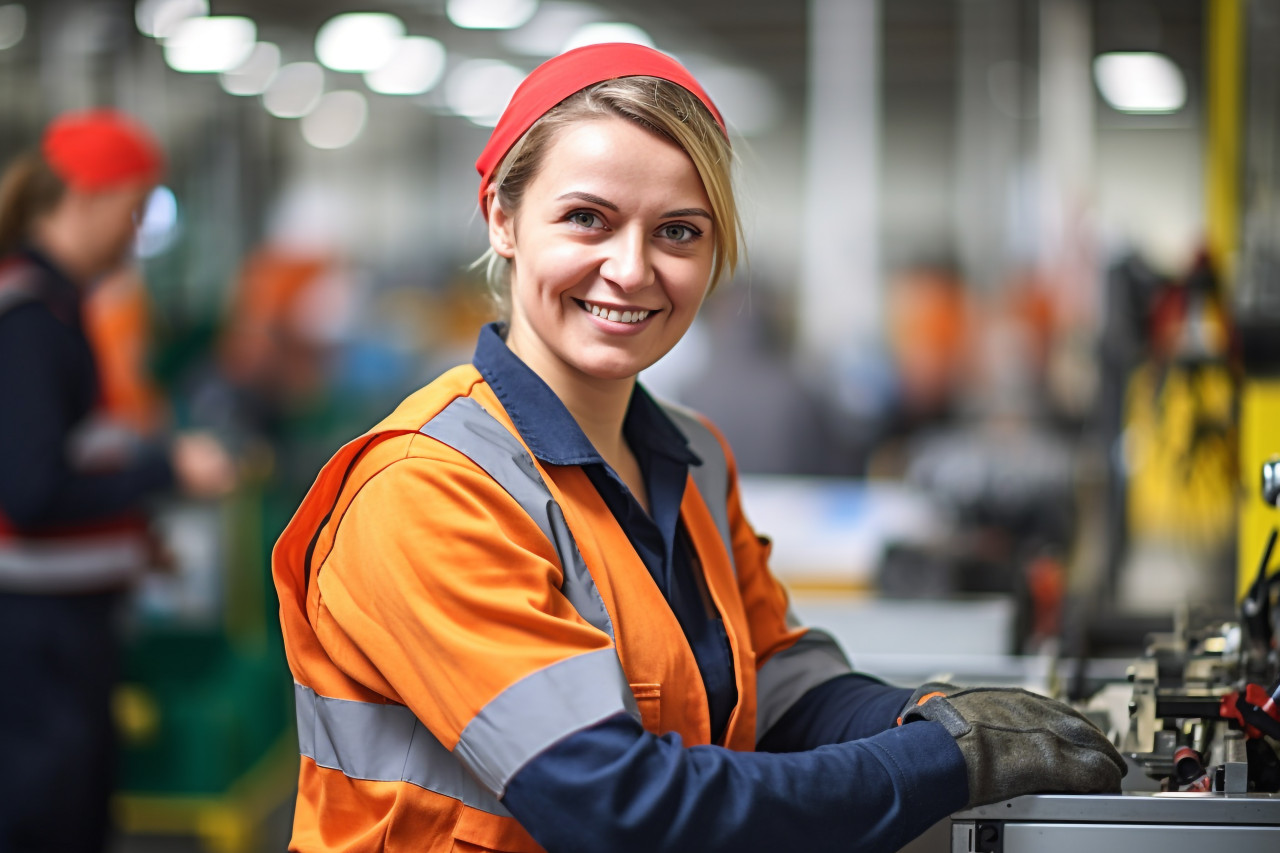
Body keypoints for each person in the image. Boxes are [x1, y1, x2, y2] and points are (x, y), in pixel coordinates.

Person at [272, 44, 1125, 853]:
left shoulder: (690, 455)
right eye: (586, 219)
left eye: (678, 231)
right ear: (501, 215)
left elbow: (773, 679)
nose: (633, 269)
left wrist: (932, 712)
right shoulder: (428, 490)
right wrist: (948, 758)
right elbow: (617, 806)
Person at [0, 108, 237, 853]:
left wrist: (132, 535)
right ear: (90, 197)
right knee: (46, 814)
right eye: (133, 211)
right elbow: (32, 492)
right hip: (36, 629)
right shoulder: (29, 320)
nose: (135, 235)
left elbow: (73, 462)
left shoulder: (63, 310)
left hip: (66, 618)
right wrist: (167, 468)